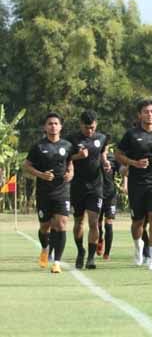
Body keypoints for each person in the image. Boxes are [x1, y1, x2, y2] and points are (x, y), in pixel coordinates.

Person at [116, 99, 152, 270]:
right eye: (146, 111)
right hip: (136, 183)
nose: (149, 114)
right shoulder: (131, 135)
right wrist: (133, 163)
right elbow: (118, 154)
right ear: (139, 114)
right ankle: (138, 246)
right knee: (138, 222)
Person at [23, 113, 74, 273]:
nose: (53, 126)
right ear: (45, 127)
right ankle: (45, 248)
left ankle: (57, 262)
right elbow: (27, 165)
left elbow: (70, 163)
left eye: (56, 123)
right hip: (44, 193)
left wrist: (70, 173)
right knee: (45, 227)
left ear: (61, 126)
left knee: (61, 223)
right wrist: (41, 175)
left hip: (62, 191)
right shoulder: (38, 146)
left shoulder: (67, 146)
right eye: (50, 123)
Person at [68, 110, 109, 269]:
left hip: (95, 187)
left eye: (92, 127)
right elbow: (63, 158)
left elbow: (103, 151)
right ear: (80, 125)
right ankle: (80, 251)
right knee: (79, 222)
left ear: (96, 125)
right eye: (86, 128)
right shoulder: (72, 139)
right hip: (77, 186)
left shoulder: (102, 138)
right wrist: (78, 156)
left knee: (94, 222)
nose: (89, 131)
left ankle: (91, 258)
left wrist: (105, 161)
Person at [98, 150, 121, 260]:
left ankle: (107, 253)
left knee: (109, 222)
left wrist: (124, 185)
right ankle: (99, 239)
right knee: (97, 223)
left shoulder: (113, 158)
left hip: (110, 195)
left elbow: (123, 171)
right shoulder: (94, 157)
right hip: (96, 194)